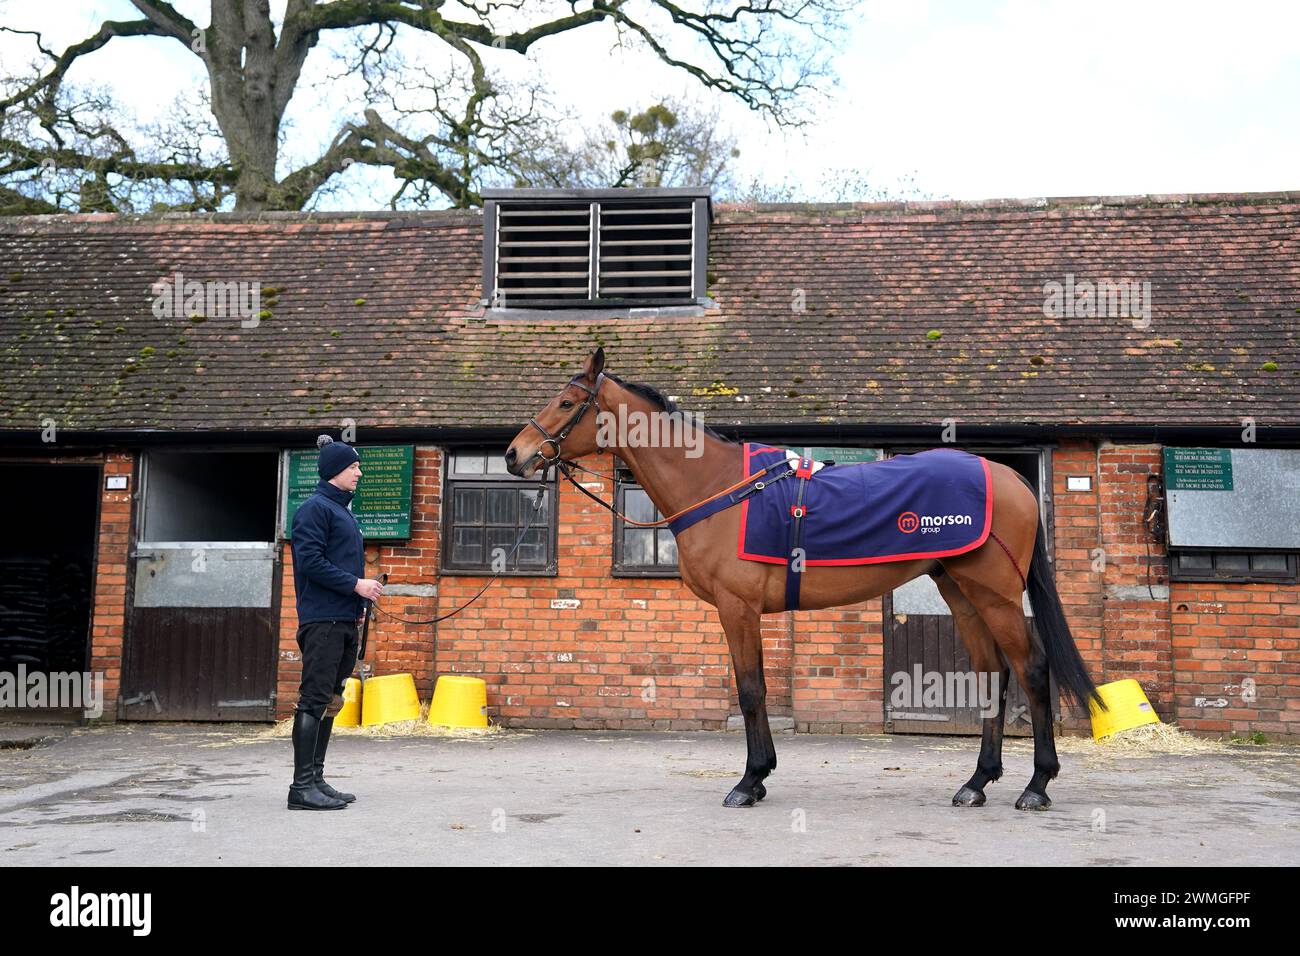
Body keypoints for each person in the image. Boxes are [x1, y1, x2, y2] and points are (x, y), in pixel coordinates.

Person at [286, 435, 384, 810]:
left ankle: (316, 778)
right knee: (313, 700)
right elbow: (309, 561)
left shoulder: (341, 510)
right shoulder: (314, 509)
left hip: (342, 617)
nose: (359, 472)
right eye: (353, 466)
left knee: (331, 699)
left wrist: (357, 600)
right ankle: (300, 788)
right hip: (322, 619)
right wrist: (356, 584)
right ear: (334, 472)